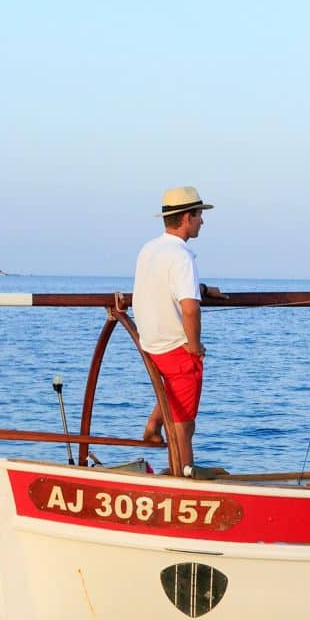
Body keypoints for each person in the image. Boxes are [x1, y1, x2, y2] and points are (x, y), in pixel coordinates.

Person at [133, 186, 214, 476]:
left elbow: (161, 286)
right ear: (187, 218)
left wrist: (203, 290)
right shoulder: (182, 256)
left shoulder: (150, 249)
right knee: (184, 425)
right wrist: (195, 345)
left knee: (175, 393)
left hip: (151, 343)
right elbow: (190, 308)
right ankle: (183, 478)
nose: (202, 222)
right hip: (175, 346)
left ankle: (153, 425)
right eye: (199, 216)